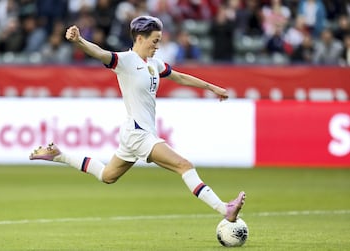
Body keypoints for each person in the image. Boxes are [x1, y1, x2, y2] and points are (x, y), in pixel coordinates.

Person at [29, 15, 245, 222]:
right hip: (138, 133)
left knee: (107, 175)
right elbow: (100, 52)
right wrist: (80, 41)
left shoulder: (154, 64)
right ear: (140, 38)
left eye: (159, 41)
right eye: (155, 40)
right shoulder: (125, 61)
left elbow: (179, 77)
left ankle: (59, 155)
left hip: (135, 132)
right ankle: (224, 209)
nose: (157, 45)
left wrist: (210, 87)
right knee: (184, 165)